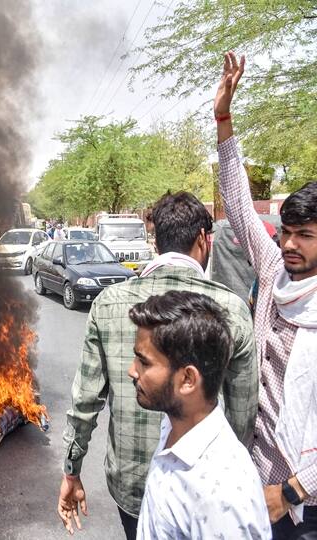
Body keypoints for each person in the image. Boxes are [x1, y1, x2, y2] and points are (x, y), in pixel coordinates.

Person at [57, 191, 259, 538]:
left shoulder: (109, 303)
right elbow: (243, 411)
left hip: (130, 483)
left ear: (155, 238)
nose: (135, 371)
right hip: (205, 493)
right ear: (202, 239)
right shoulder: (231, 308)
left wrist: (71, 470)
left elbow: (86, 400)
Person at [216, 51, 317, 538]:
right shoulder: (275, 267)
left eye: (305, 235)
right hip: (252, 477)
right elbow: (237, 201)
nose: (290, 244)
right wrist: (223, 118)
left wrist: (294, 490)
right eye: (287, 232)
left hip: (302, 501)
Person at [128, 291, 271, 539]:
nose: (132, 371)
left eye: (144, 362)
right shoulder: (174, 424)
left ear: (187, 380)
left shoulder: (221, 496)